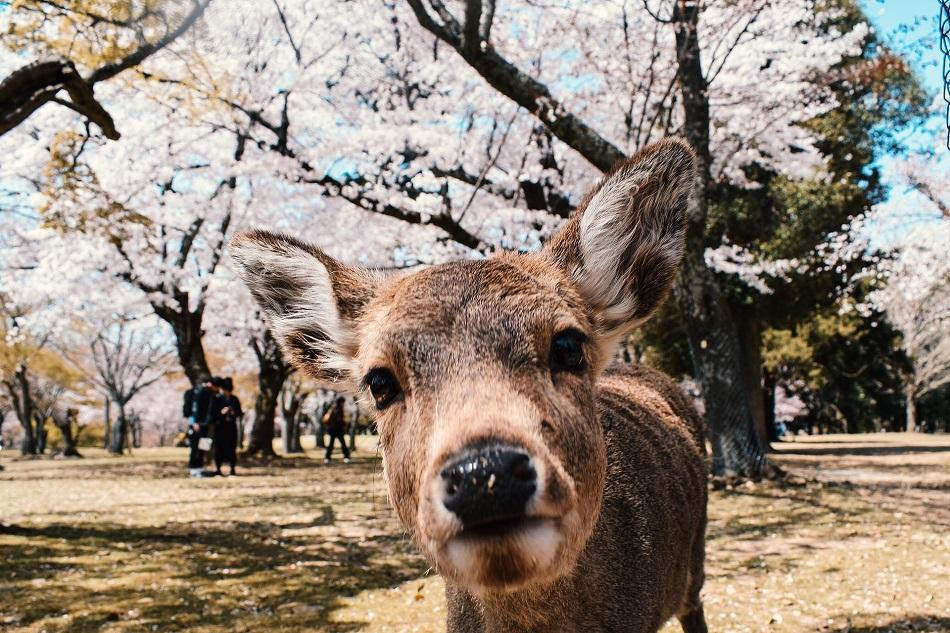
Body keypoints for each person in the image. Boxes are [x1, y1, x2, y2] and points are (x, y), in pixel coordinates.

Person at [210, 377, 242, 476]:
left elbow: (239, 413)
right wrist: (221, 413)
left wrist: (233, 412)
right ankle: (218, 469)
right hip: (219, 427)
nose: (227, 393)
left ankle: (232, 469)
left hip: (231, 426)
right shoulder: (216, 399)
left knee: (232, 448)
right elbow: (212, 414)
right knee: (218, 448)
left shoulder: (234, 399)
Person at [186, 377, 218, 477]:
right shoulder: (198, 392)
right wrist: (194, 422)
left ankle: (200, 467)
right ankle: (193, 469)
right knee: (195, 447)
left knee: (203, 447)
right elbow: (194, 408)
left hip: (205, 425)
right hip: (197, 424)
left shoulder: (210, 394)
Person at [322, 396, 350, 464]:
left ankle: (327, 458)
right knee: (343, 444)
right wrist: (345, 424)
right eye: (343, 402)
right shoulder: (339, 409)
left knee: (331, 444)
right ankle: (346, 458)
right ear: (341, 402)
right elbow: (339, 420)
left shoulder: (332, 408)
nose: (344, 404)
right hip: (337, 430)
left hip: (332, 429)